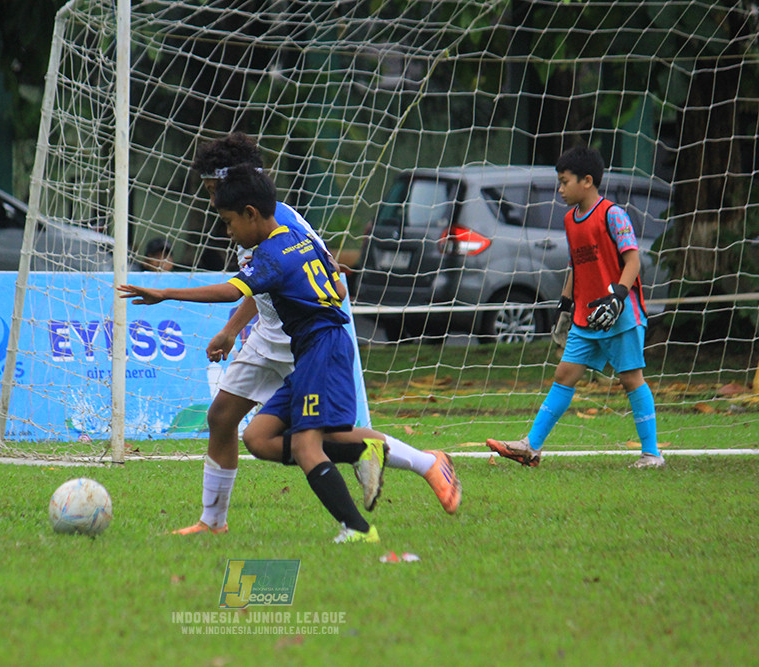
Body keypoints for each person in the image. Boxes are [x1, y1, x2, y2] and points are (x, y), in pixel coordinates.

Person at [171, 133, 461, 538]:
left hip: (308, 339)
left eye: (209, 187)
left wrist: (165, 293)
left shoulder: (281, 221)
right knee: (224, 419)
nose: (208, 196)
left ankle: (426, 464)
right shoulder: (247, 220)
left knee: (326, 436)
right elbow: (263, 283)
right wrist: (230, 330)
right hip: (270, 335)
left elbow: (325, 277)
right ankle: (212, 522)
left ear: (230, 183)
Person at [122, 166, 389, 542]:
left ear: (250, 213)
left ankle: (359, 530)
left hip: (322, 350)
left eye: (229, 222)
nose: (228, 231)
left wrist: (165, 293)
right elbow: (337, 288)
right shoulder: (298, 237)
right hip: (315, 347)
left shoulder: (271, 256)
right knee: (258, 437)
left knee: (306, 445)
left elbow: (232, 292)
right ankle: (363, 449)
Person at [486, 145, 664, 469]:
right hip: (586, 315)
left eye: (564, 181)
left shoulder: (613, 214)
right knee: (564, 374)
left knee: (631, 379)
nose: (560, 189)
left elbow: (634, 260)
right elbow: (576, 266)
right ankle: (530, 446)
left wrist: (618, 296)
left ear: (587, 181)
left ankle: (652, 454)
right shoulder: (570, 220)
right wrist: (565, 307)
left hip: (620, 314)